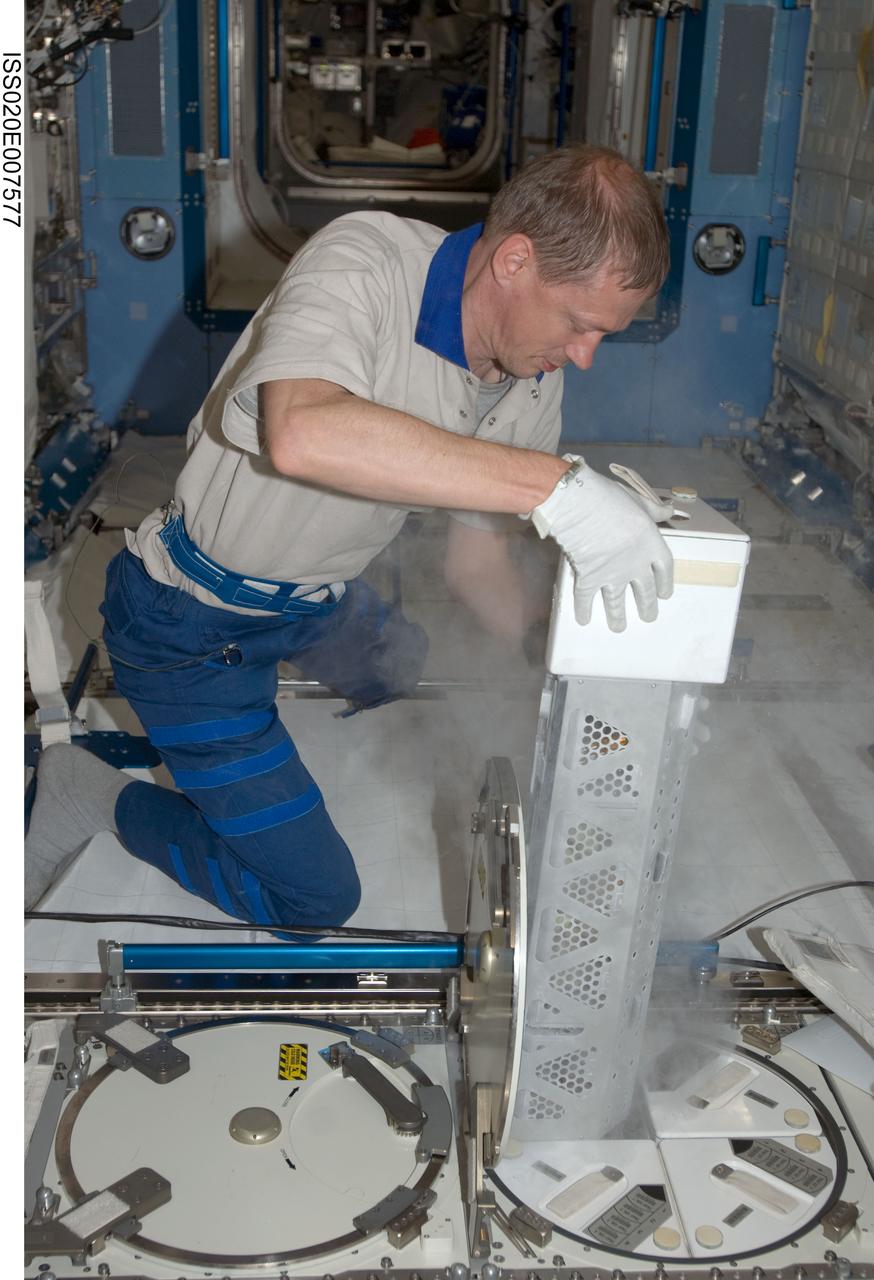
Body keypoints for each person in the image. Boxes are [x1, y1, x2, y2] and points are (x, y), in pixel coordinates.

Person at [25, 143, 674, 928]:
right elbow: (303, 433)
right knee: (314, 899)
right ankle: (87, 792)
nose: (585, 355)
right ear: (514, 261)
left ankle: (322, 647)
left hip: (315, 603)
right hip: (190, 627)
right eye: (579, 324)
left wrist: (572, 675)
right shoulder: (364, 260)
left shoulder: (531, 376)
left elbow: (477, 563)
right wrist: (559, 491)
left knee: (406, 668)